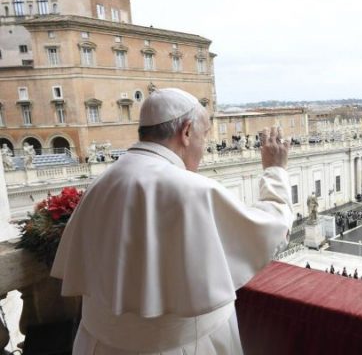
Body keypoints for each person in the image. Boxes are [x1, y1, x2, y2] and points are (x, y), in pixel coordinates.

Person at [50, 88, 293, 354]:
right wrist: (275, 170)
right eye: (205, 134)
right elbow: (272, 229)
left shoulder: (101, 183)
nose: (205, 146)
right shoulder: (192, 190)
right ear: (186, 132)